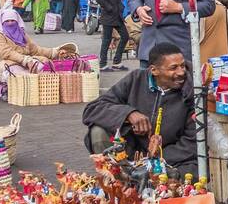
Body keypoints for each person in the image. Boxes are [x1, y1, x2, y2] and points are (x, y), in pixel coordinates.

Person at [82, 42, 199, 179]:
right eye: (173, 68)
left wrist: (152, 161)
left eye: (182, 66)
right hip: (131, 154)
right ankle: (121, 182)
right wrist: (129, 114)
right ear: (154, 70)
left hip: (171, 159)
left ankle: (149, 182)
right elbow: (92, 109)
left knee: (192, 172)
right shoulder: (136, 79)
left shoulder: (192, 90)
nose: (181, 72)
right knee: (97, 131)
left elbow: (191, 142)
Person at [0, 5, 76, 83]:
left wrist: (54, 52)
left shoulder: (22, 34)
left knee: (42, 66)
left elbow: (35, 50)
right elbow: (7, 53)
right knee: (19, 74)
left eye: (12, 21)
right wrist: (26, 60)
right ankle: (8, 90)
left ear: (17, 22)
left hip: (22, 61)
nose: (10, 23)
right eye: (7, 21)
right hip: (0, 64)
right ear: (2, 23)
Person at [95, 0, 130, 71]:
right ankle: (102, 64)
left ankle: (117, 62)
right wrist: (109, 7)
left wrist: (120, 7)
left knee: (125, 36)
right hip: (108, 17)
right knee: (106, 40)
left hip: (117, 16)